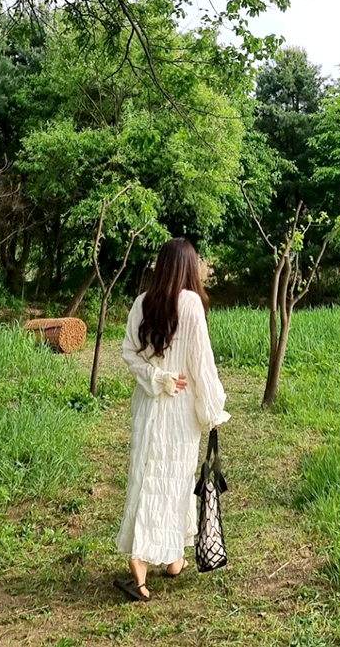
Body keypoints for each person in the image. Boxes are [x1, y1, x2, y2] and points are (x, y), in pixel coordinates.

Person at [115, 237, 229, 602]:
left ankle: (168, 557)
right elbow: (202, 365)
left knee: (145, 475)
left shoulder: (141, 303)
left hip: (147, 407)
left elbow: (129, 353)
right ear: (189, 268)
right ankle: (146, 558)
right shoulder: (191, 303)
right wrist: (212, 411)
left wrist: (156, 377)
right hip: (179, 412)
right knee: (173, 480)